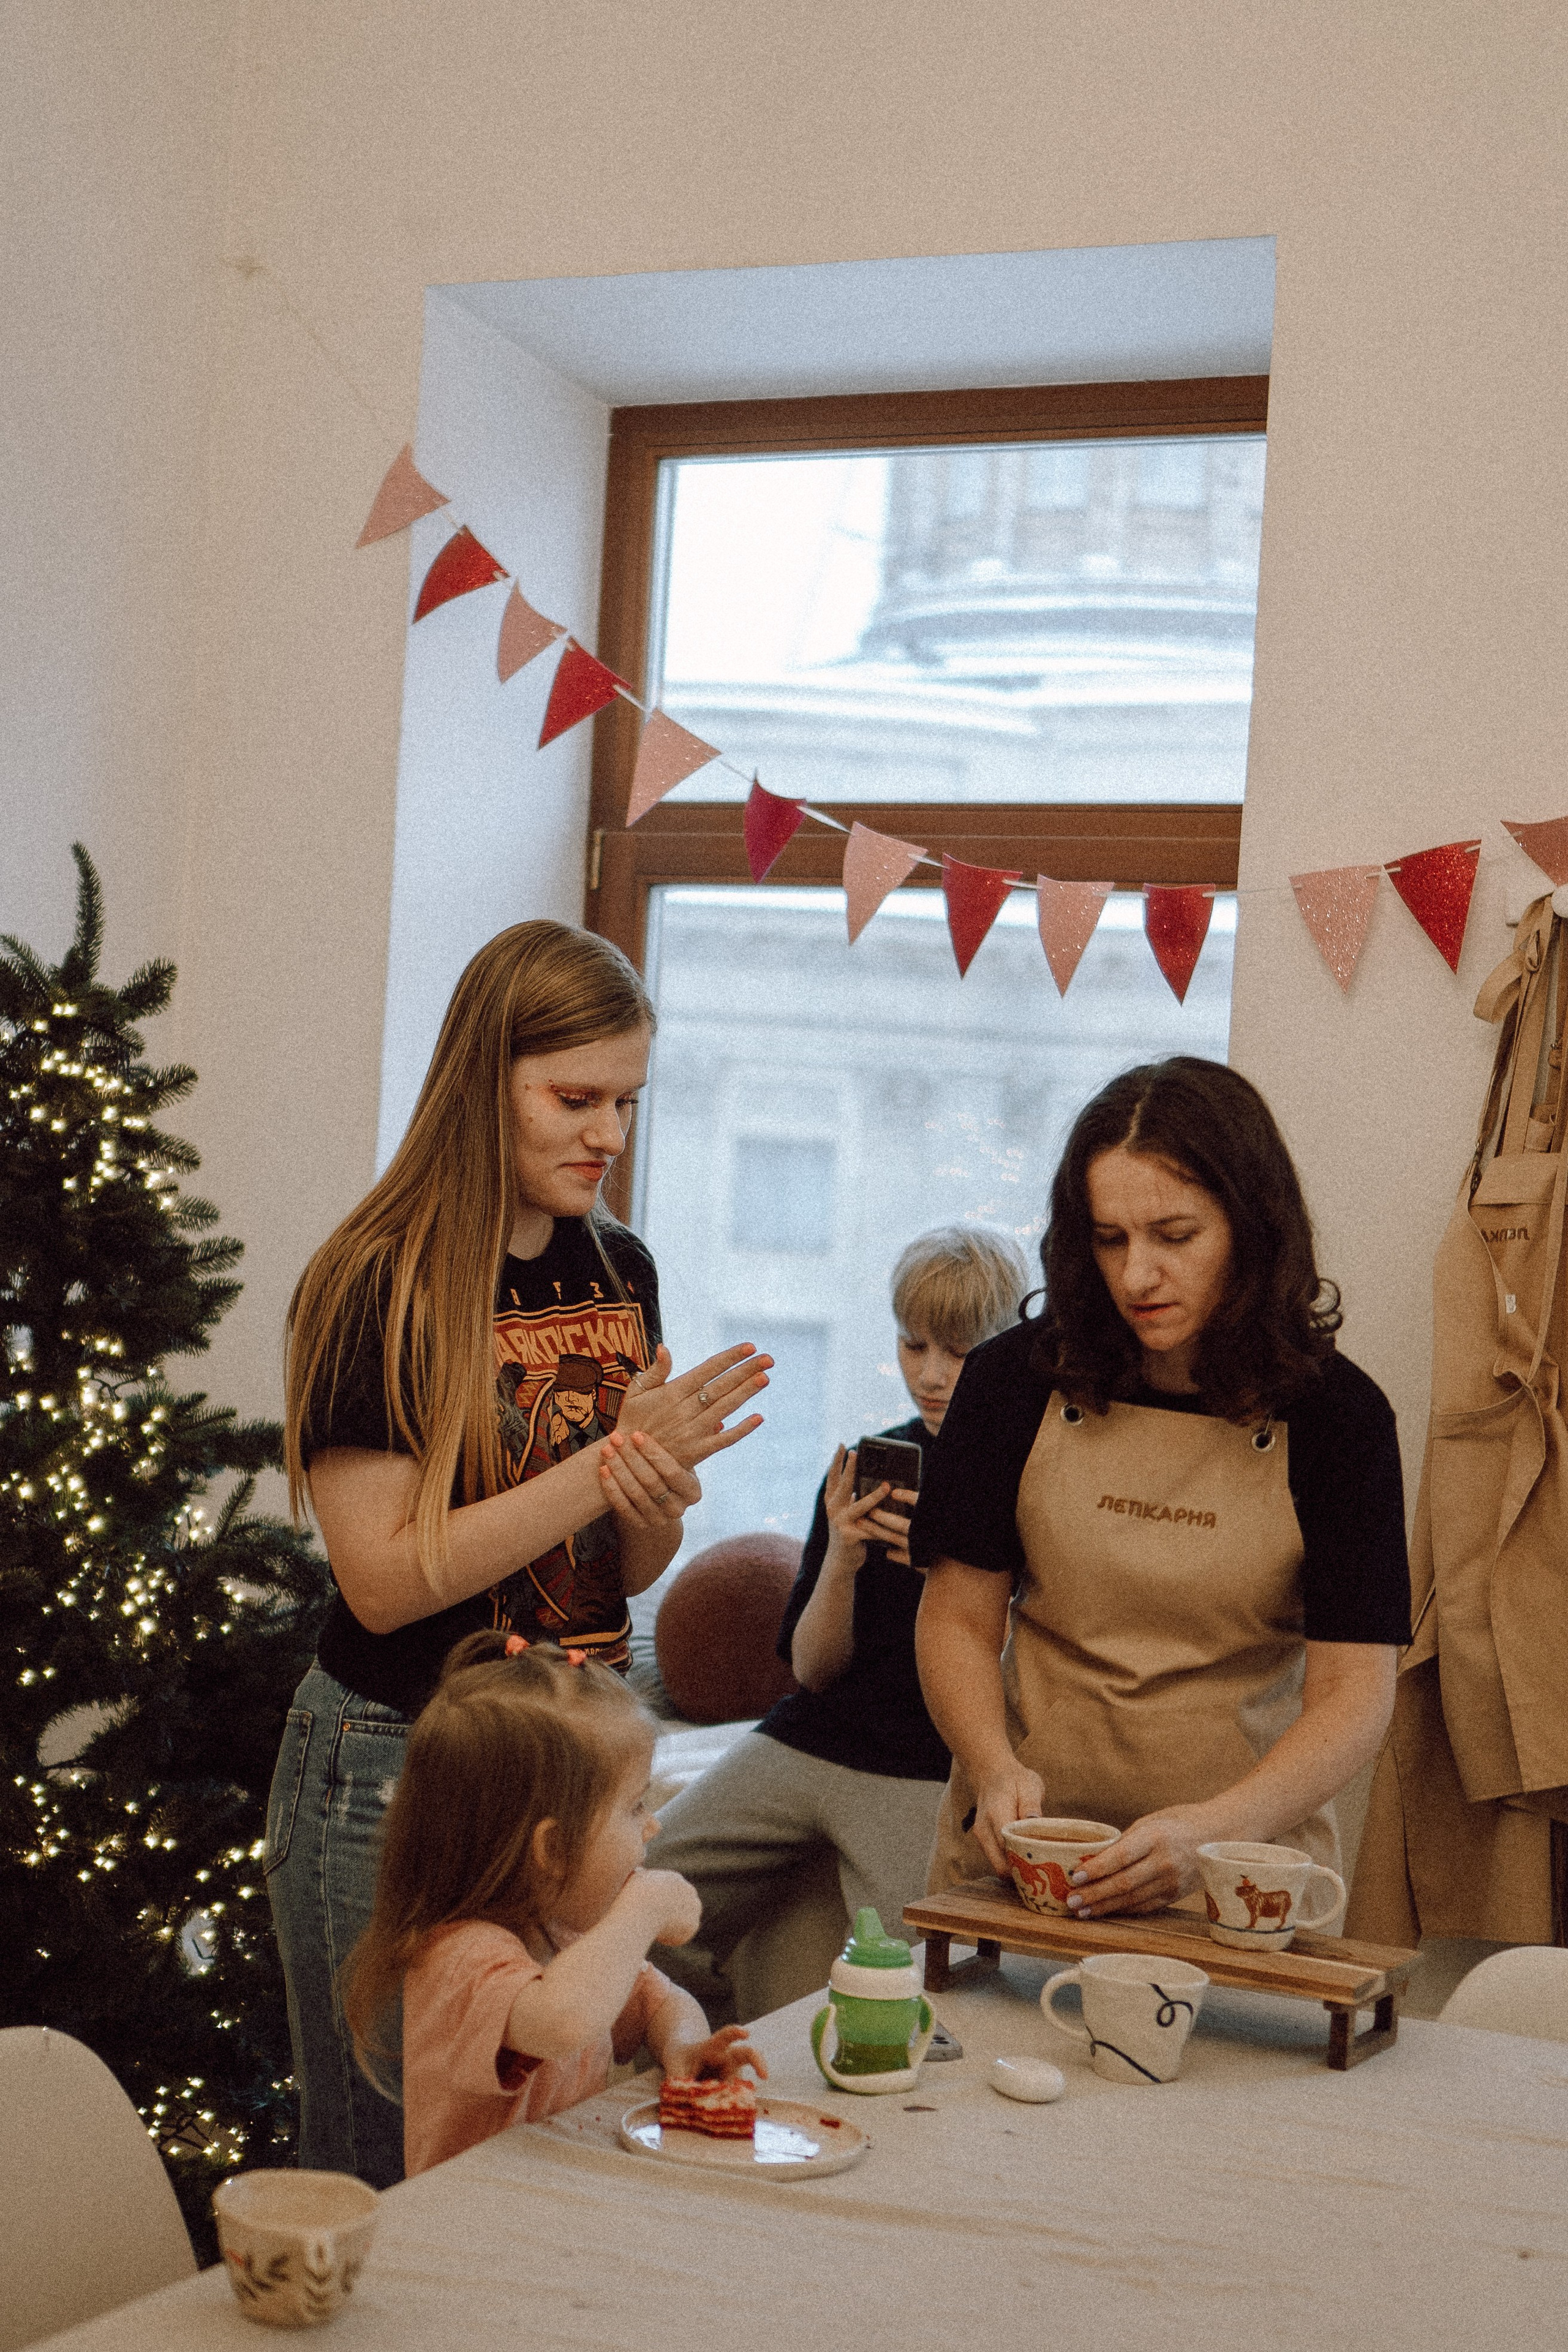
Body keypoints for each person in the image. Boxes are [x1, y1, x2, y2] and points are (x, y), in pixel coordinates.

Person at [266, 919, 770, 2187]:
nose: (607, 1134)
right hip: (398, 1759)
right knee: (392, 2175)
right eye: (573, 1098)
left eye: (627, 1102)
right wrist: (602, 1464)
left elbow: (626, 1570)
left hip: (566, 1770)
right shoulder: (375, 1283)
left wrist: (650, 1487)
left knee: (543, 2159)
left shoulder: (618, 1267)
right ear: (481, 1085)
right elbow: (381, 1581)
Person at [912, 1058, 1410, 1920]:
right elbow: (956, 1620)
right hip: (1027, 1861)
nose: (1137, 1275)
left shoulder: (1340, 1418)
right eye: (1111, 1239)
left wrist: (1212, 1831)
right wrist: (991, 1767)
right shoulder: (1011, 1383)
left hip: (1237, 1868)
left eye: (1174, 1236)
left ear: (1251, 1229)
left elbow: (1354, 1695)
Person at [646, 1227, 1028, 2015]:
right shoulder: (866, 1463)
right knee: (629, 1898)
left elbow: (1027, 1672)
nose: (929, 1374)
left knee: (923, 1986)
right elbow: (814, 1671)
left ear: (1002, 1349)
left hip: (925, 1766)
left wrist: (949, 1578)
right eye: (913, 1344)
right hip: (810, 1738)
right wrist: (843, 1559)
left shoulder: (1025, 1480)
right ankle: (694, 2021)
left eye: (955, 1351)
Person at [342, 1631, 765, 2177]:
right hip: (479, 2226)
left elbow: (660, 2001)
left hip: (556, 2198)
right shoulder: (462, 1958)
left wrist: (683, 2047)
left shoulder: (566, 1933)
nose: (653, 1824)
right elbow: (563, 2020)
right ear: (552, 1848)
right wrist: (646, 1906)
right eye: (635, 1807)